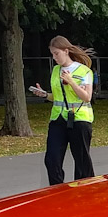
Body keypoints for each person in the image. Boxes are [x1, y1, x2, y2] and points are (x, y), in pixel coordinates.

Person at [31, 36, 95, 185]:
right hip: (58, 120)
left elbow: (86, 97)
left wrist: (72, 82)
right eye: (52, 54)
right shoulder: (55, 70)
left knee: (81, 161)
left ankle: (85, 192)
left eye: (56, 53)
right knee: (52, 159)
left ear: (66, 51)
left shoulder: (84, 71)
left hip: (79, 119)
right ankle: (57, 191)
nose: (54, 57)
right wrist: (45, 95)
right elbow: (59, 96)